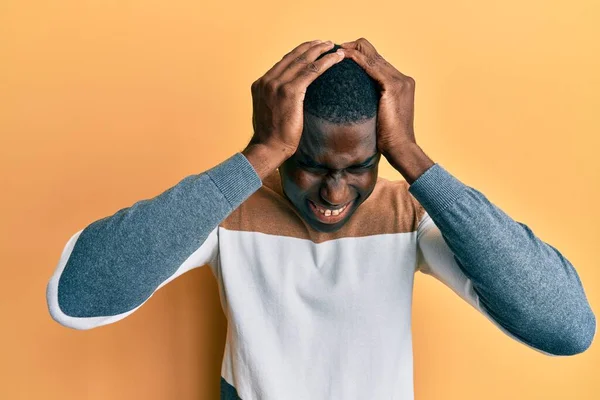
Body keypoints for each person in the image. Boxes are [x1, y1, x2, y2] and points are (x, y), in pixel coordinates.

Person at [46, 38, 596, 400]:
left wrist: (413, 158)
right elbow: (78, 296)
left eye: (360, 166)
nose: (335, 191)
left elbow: (565, 325)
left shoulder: (406, 213)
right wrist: (256, 156)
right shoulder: (231, 208)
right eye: (309, 165)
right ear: (284, 145)